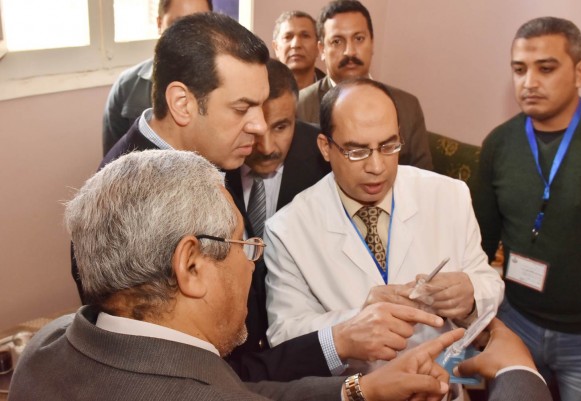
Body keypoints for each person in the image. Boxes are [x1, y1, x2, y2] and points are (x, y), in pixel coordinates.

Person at [73, 12, 447, 383]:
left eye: (262, 106)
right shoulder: (123, 211)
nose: (259, 127)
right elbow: (211, 378)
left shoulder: (213, 151)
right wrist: (353, 379)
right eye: (242, 108)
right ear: (183, 103)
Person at [13, 149, 474, 401]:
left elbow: (239, 388)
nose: (253, 260)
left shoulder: (45, 346)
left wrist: (360, 390)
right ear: (191, 266)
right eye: (242, 244)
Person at [265, 78, 504, 372]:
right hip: (355, 385)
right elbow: (285, 335)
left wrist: (471, 296)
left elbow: (486, 279)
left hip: (441, 381)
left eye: (389, 146)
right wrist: (354, 322)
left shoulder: (449, 195)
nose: (376, 167)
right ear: (326, 147)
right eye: (357, 151)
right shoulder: (287, 230)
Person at [472, 16, 581, 401]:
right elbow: (480, 243)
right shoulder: (499, 144)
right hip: (515, 323)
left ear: (579, 72)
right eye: (519, 69)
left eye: (545, 68)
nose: (529, 82)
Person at [224, 58, 330, 362]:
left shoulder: (325, 160)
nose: (267, 146)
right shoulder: (213, 162)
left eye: (281, 126)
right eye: (255, 130)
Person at [296, 0, 432, 170]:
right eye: (337, 41)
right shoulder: (300, 106)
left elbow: (423, 178)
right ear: (322, 50)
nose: (350, 51)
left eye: (359, 39)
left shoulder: (408, 106)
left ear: (372, 43)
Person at [101, 0, 212, 155]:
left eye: (200, 24)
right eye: (179, 24)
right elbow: (113, 163)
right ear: (160, 24)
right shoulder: (127, 87)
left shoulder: (228, 86)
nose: (191, 36)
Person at [272, 11, 325, 90]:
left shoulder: (334, 93)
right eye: (287, 37)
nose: (296, 44)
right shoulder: (260, 90)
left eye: (305, 36)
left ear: (318, 47)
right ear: (276, 47)